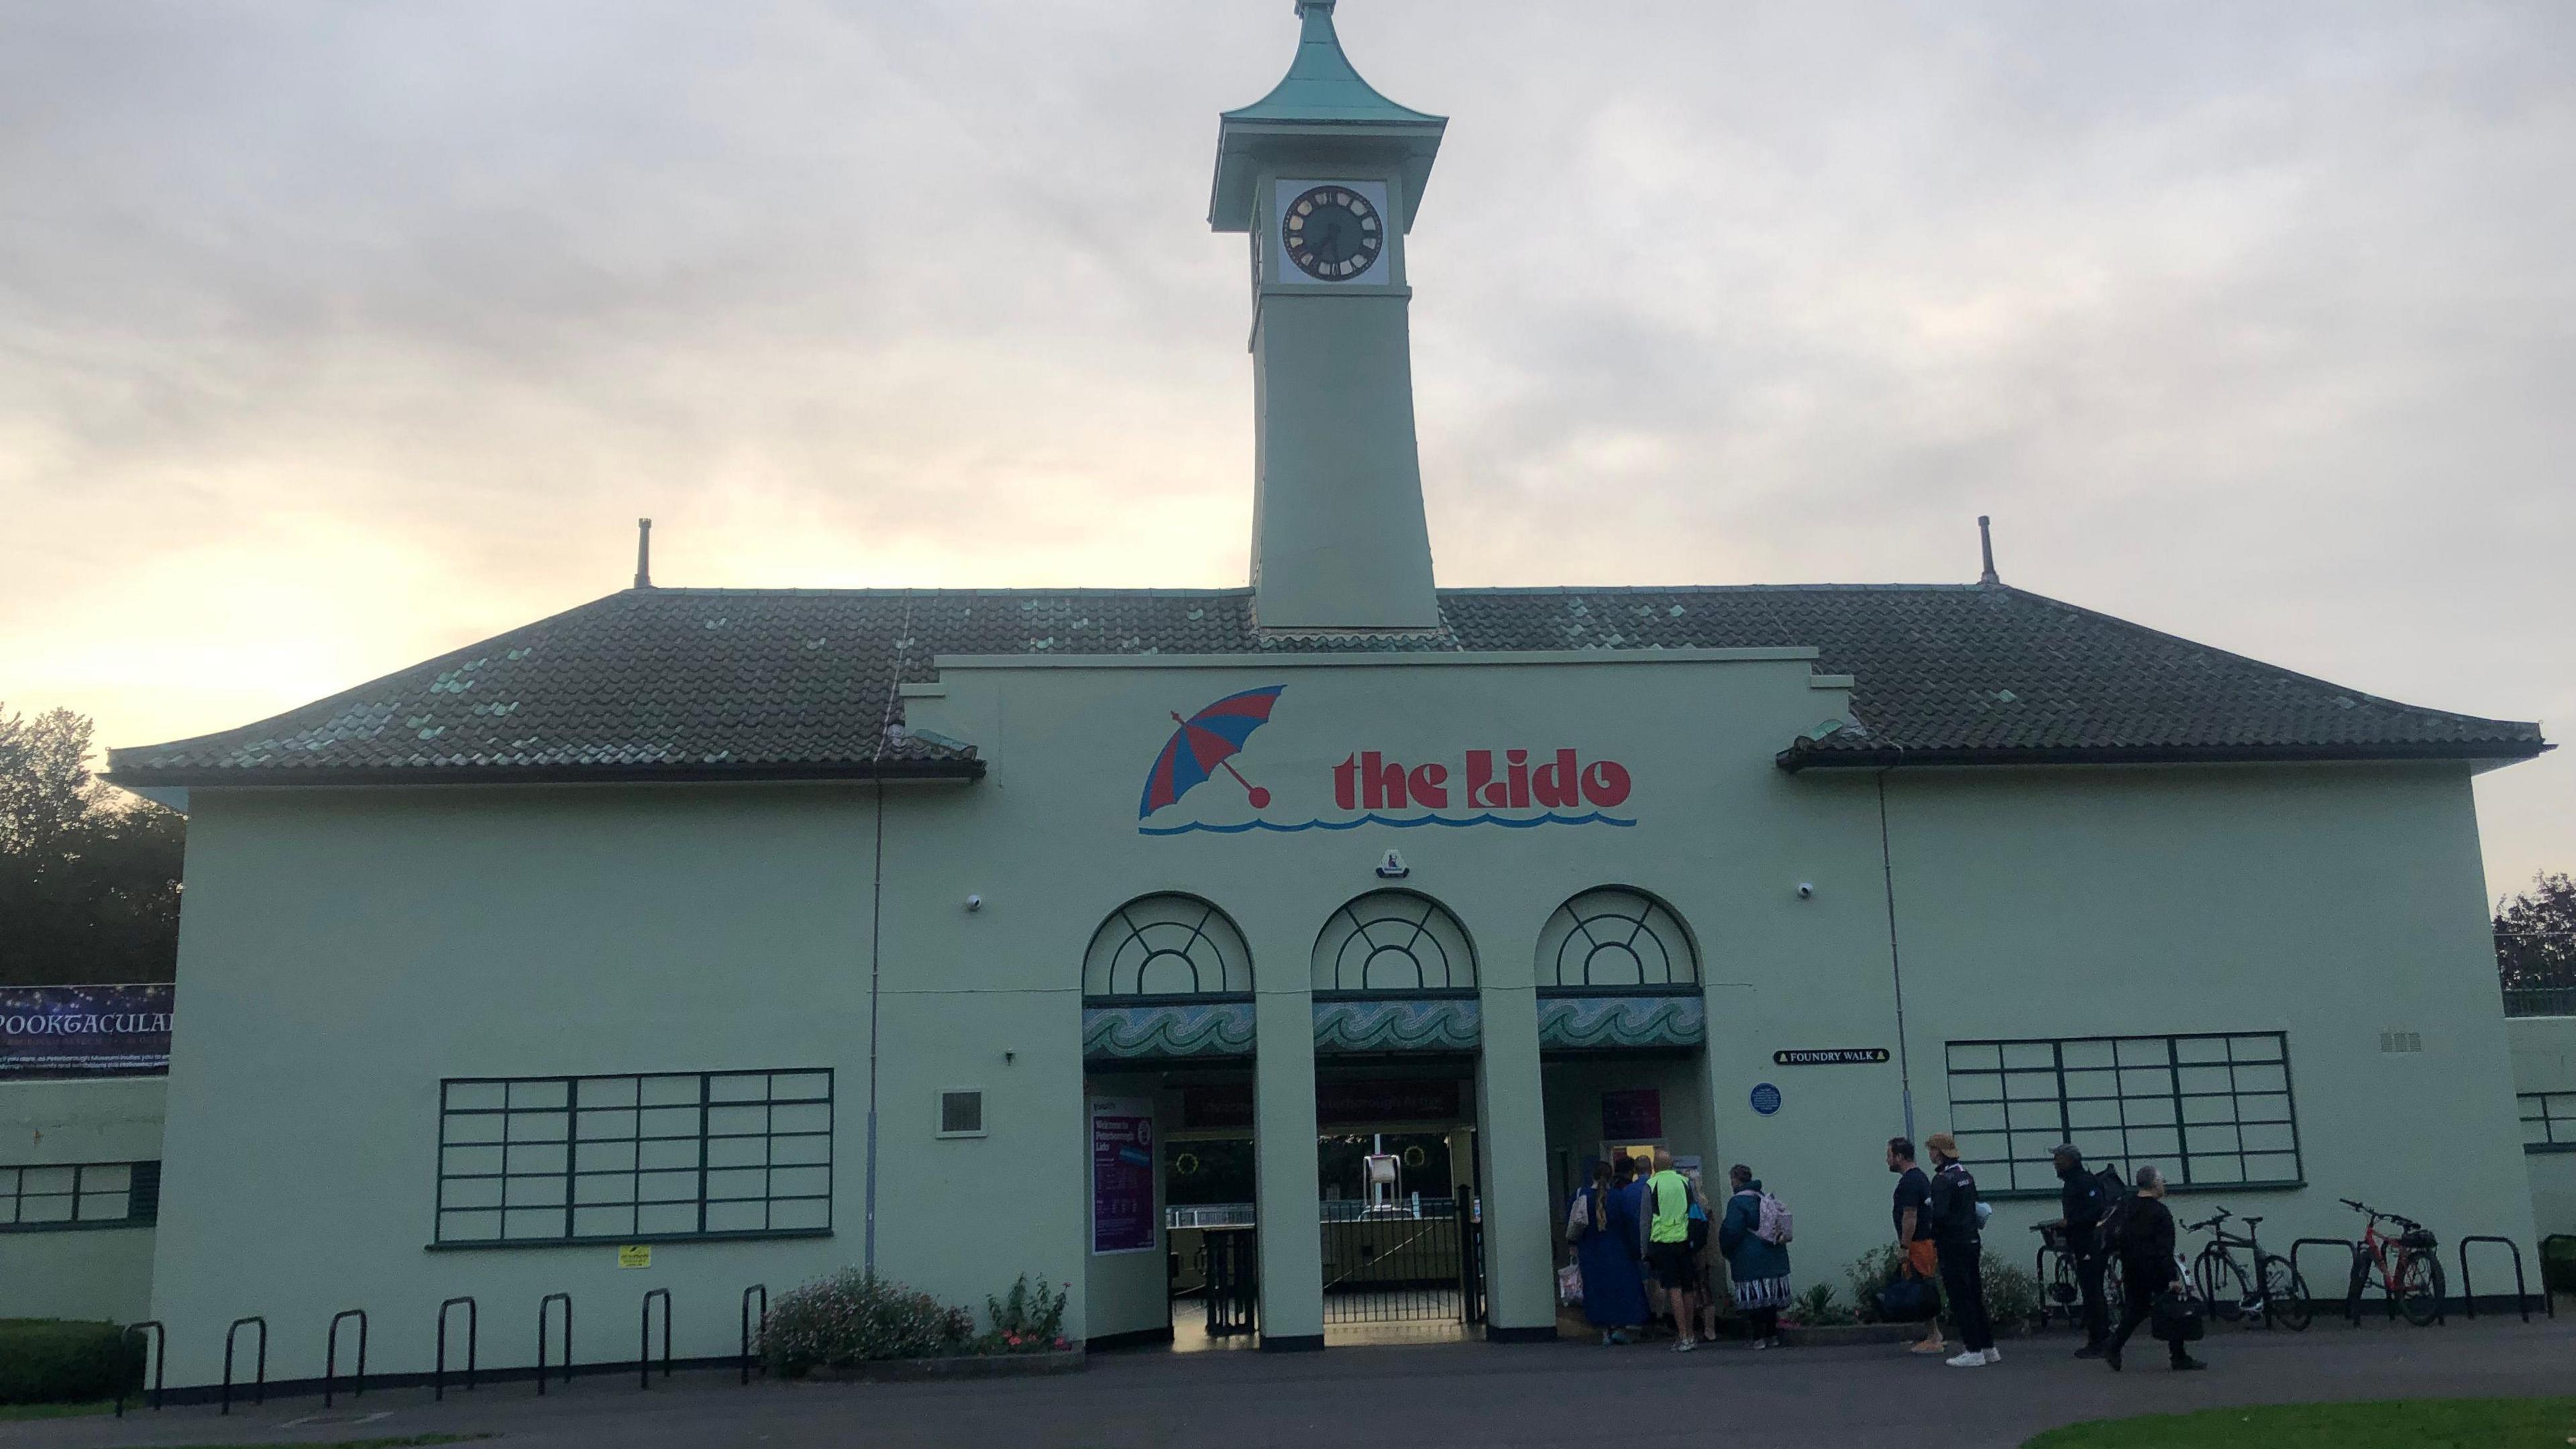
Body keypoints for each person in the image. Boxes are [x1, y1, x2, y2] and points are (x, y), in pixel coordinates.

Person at [2102, 1165, 2204, 1372]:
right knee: (2173, 1311)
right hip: (2156, 1269)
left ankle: (2114, 1346)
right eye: (2162, 1181)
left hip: (2132, 1267)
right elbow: (2164, 1248)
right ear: (2154, 1184)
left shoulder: (2127, 1206)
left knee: (2135, 1311)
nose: (2164, 1185)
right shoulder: (2160, 1213)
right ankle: (2178, 1356)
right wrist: (2172, 1277)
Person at [1925, 1132, 1997, 1367]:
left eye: (1933, 1150)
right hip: (1971, 1239)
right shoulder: (1966, 1176)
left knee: (1959, 1296)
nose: (1931, 1154)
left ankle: (1972, 1349)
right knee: (1975, 1294)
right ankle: (1988, 1347)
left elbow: (1941, 1216)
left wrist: (1933, 1232)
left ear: (1940, 1152)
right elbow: (1976, 1205)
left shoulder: (1942, 1181)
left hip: (1952, 1244)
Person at [1568, 1158, 1649, 1344]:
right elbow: (1630, 1224)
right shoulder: (1619, 1198)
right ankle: (1619, 1328)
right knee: (1620, 1289)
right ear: (1611, 1176)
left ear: (1592, 1176)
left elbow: (1572, 1225)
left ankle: (1604, 1331)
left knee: (1597, 1290)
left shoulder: (1581, 1196)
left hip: (1590, 1251)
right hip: (1618, 1251)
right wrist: (1637, 1249)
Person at [1718, 1163, 1792, 1349]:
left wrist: (1726, 1248)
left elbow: (1732, 1230)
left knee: (1755, 1303)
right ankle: (1772, 1335)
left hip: (1749, 1258)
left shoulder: (1737, 1202)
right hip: (1773, 1255)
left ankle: (1758, 1338)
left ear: (1735, 1180)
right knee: (1770, 1302)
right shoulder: (1763, 1198)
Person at [2047, 1144, 2110, 1356]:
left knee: (2093, 1292)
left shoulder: (2084, 1181)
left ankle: (2099, 1341)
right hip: (2082, 1243)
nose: (2055, 1163)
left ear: (2071, 1160)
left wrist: (2070, 1222)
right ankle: (2100, 1338)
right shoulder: (2073, 1182)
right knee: (2091, 1290)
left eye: (2059, 1159)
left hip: (2090, 1243)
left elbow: (2098, 1210)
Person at [1886, 1136, 1947, 1358]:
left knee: (1922, 1286)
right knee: (1923, 1285)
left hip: (1919, 1243)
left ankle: (1934, 1337)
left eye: (1889, 1155)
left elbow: (1910, 1215)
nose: (1887, 1160)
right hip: (1924, 1241)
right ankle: (1934, 1333)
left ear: (1900, 1157)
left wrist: (1904, 1246)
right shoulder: (1919, 1178)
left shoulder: (1910, 1182)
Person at [1643, 1148, 1700, 1351]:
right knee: (1688, 1288)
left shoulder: (1652, 1184)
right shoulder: (1685, 1183)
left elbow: (1646, 1220)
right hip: (1685, 1240)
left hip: (1663, 1243)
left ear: (1654, 1167)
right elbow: (1694, 1209)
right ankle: (1691, 1335)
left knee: (1673, 1288)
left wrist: (1645, 1250)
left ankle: (1682, 1335)